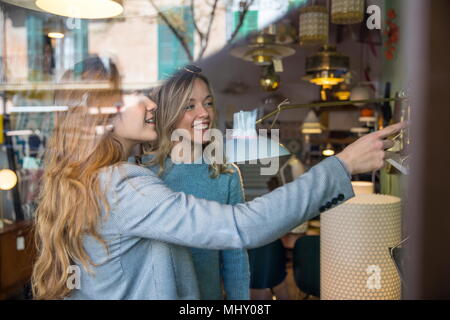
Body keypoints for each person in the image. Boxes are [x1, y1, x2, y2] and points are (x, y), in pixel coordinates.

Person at [31, 58, 404, 300]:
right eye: (135, 97)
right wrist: (341, 165)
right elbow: (241, 226)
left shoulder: (100, 180)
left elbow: (233, 256)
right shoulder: (126, 184)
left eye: (206, 103)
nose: (151, 105)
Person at [137, 68, 250, 300]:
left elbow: (235, 255)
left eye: (207, 103)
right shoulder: (141, 173)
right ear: (169, 113)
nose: (204, 113)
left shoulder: (226, 175)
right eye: (190, 106)